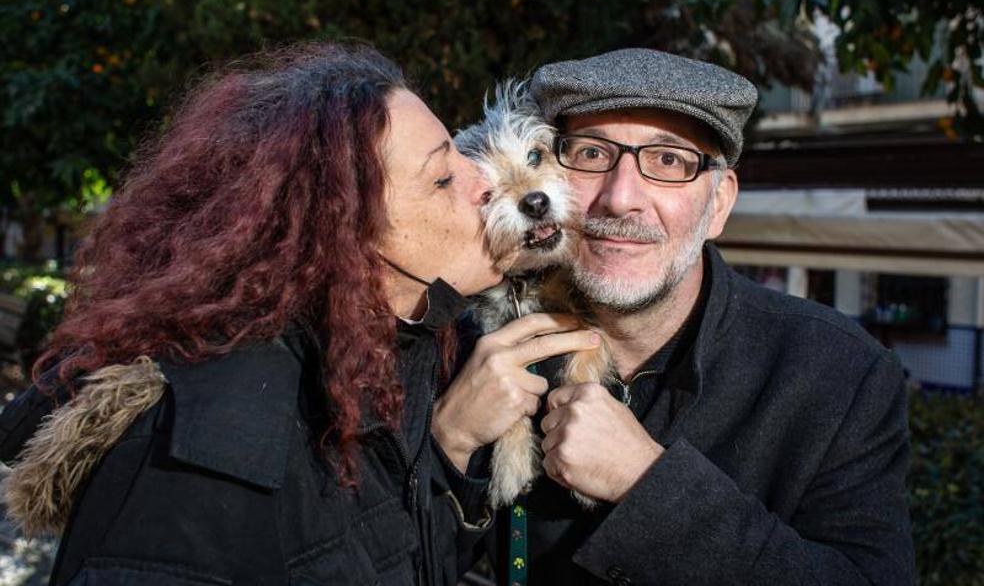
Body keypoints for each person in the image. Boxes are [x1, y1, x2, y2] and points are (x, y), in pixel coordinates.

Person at [0, 42, 598, 585]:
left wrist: (451, 445)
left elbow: (396, 560)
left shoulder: (395, 353)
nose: (486, 185)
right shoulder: (201, 451)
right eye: (444, 176)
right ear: (344, 233)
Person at [469, 48, 915, 585]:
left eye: (668, 161)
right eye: (590, 153)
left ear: (720, 204)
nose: (621, 198)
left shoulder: (842, 377)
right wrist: (448, 445)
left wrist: (649, 484)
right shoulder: (476, 348)